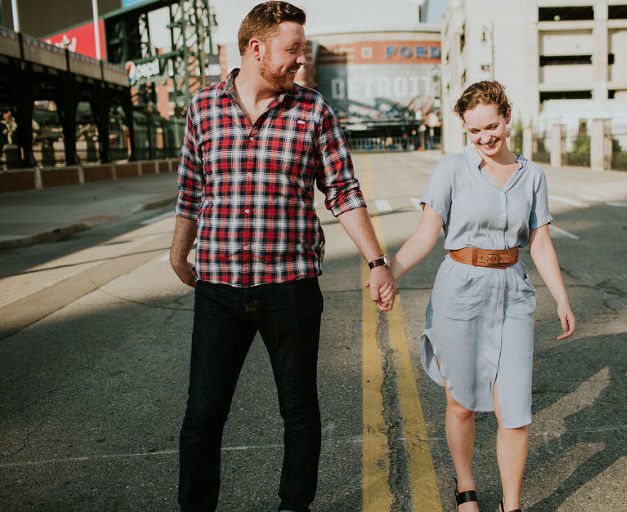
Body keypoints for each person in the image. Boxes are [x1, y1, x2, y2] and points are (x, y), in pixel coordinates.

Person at [169, 2, 395, 511]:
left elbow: (343, 190)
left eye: (303, 51)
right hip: (220, 289)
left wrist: (377, 262)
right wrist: (179, 253)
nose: (300, 62)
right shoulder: (203, 108)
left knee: (298, 411)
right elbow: (191, 190)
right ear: (257, 48)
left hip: (290, 288)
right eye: (292, 50)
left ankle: (294, 507)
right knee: (203, 416)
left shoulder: (313, 110)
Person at [383, 81, 575, 512]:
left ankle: (512, 504)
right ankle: (465, 487)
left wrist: (561, 298)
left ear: (507, 118)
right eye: (474, 132)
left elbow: (540, 242)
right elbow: (426, 235)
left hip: (513, 290)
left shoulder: (533, 175)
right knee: (462, 402)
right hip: (461, 289)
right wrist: (388, 273)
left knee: (516, 408)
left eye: (491, 127)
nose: (485, 138)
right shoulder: (451, 171)